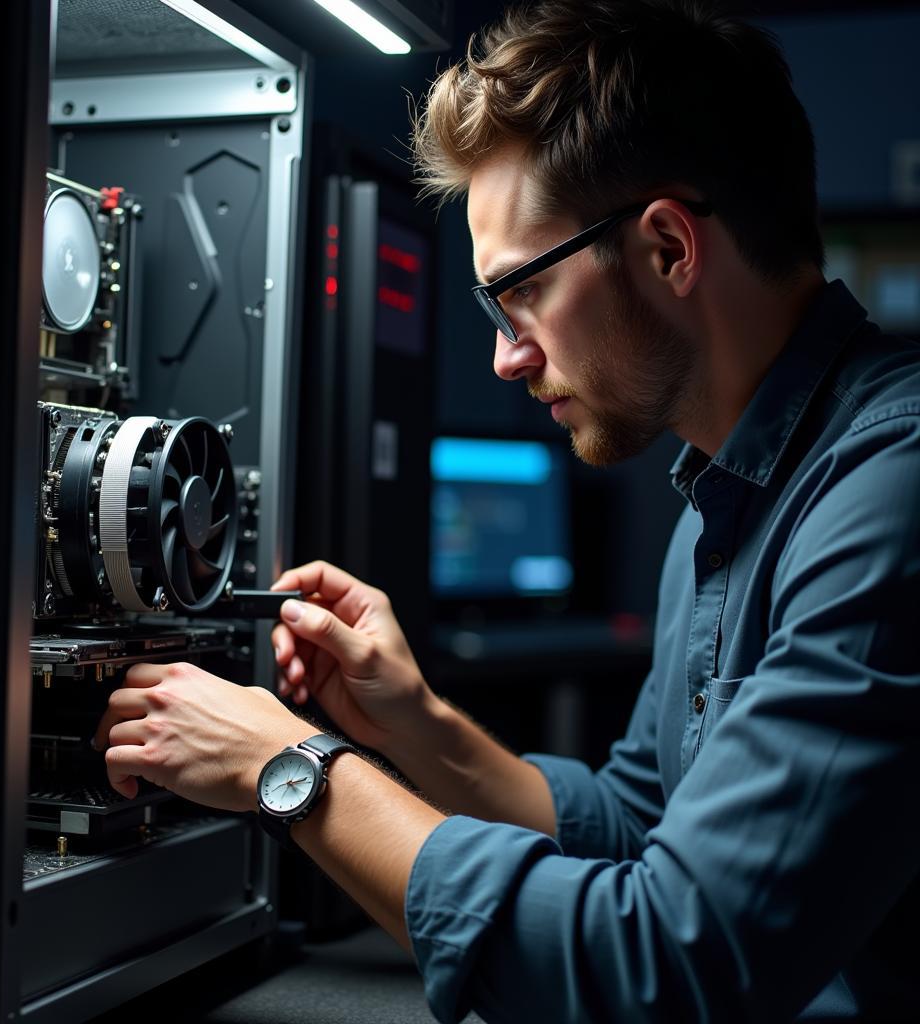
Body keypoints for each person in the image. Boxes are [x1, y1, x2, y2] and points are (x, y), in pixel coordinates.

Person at [94, 1, 920, 1020]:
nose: (505, 354)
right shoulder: (738, 490)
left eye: (516, 294)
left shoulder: (889, 491)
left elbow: (670, 960)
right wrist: (417, 724)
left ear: (667, 247)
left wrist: (290, 765)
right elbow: (636, 825)